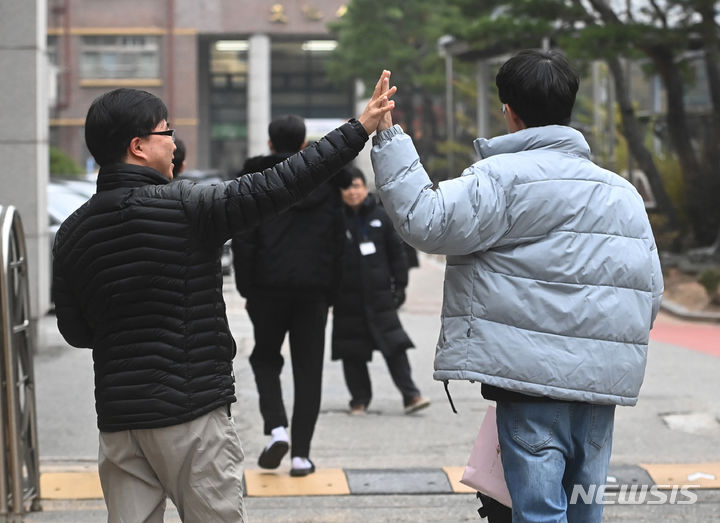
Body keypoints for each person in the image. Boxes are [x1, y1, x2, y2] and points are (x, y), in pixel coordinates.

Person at [51, 73, 396, 522]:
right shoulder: (187, 207)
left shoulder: (72, 232)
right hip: (191, 416)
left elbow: (75, 331)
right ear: (138, 146)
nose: (174, 143)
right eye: (167, 132)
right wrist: (361, 128)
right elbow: (280, 183)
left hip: (119, 424)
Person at [370, 54, 663, 523]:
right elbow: (649, 290)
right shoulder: (622, 192)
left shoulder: (501, 179)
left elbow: (425, 220)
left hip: (530, 387)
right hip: (598, 390)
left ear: (509, 112)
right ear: (570, 107)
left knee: (538, 513)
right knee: (585, 510)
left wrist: (388, 137)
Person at [232, 114, 349, 477]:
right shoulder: (325, 183)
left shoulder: (254, 182)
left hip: (266, 289)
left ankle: (276, 428)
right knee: (308, 370)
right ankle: (301, 456)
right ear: (303, 146)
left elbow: (244, 238)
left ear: (269, 143)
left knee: (265, 359)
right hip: (313, 292)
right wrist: (331, 292)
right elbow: (337, 242)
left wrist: (247, 289)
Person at [331, 166, 430, 416]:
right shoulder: (333, 220)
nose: (352, 192)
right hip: (347, 300)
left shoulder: (381, 217)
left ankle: (411, 395)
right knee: (352, 352)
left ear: (365, 188)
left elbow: (397, 255)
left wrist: (401, 285)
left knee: (395, 347)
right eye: (347, 187)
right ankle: (359, 400)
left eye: (356, 186)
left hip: (380, 298)